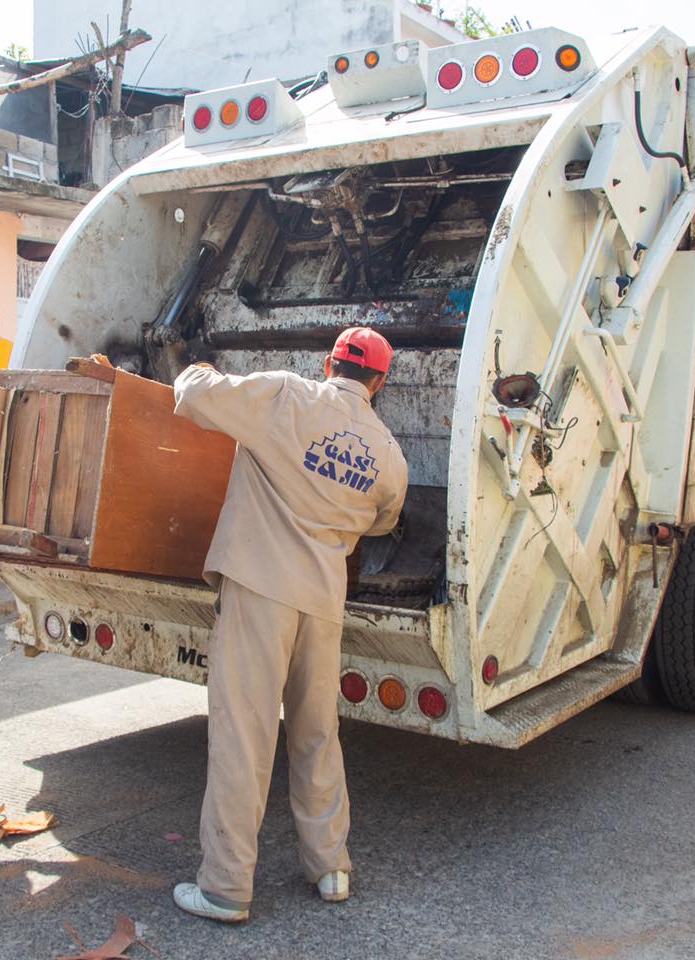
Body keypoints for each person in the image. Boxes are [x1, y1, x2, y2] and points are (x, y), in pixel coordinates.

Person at [167, 327, 409, 922]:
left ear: (329, 362)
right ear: (378, 382)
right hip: (322, 599)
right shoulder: (385, 451)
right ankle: (330, 867)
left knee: (244, 735)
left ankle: (225, 887)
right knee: (316, 731)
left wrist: (195, 365)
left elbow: (190, 396)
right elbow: (382, 521)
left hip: (260, 589)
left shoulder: (284, 397)